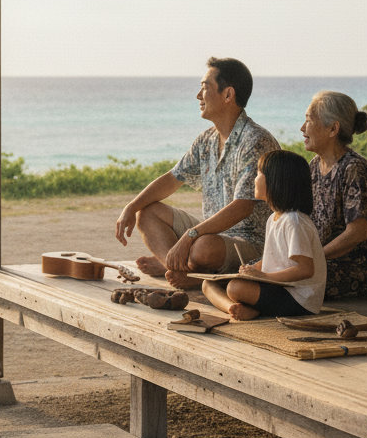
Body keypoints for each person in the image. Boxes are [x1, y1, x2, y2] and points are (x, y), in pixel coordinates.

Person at [115, 57, 280, 289]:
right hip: (211, 234)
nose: (198, 96)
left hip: (251, 244)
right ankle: (179, 269)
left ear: (228, 94)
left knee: (203, 248)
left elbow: (243, 206)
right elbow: (172, 179)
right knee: (147, 212)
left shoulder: (255, 141)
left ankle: (189, 271)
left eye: (205, 88)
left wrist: (190, 236)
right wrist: (130, 207)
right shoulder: (206, 140)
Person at [203, 150, 327, 321]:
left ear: (277, 182)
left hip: (299, 298)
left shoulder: (294, 221)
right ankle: (235, 308)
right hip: (278, 288)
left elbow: (306, 269)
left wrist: (265, 277)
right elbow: (275, 258)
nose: (255, 178)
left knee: (235, 288)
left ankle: (253, 309)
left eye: (259, 173)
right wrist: (254, 269)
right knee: (209, 283)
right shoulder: (273, 218)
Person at [302, 91, 367, 300]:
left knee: (285, 279)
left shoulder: (353, 168)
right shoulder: (314, 166)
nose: (303, 128)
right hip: (323, 261)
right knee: (254, 269)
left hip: (355, 268)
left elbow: (357, 233)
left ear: (333, 129)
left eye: (309, 120)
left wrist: (315, 258)